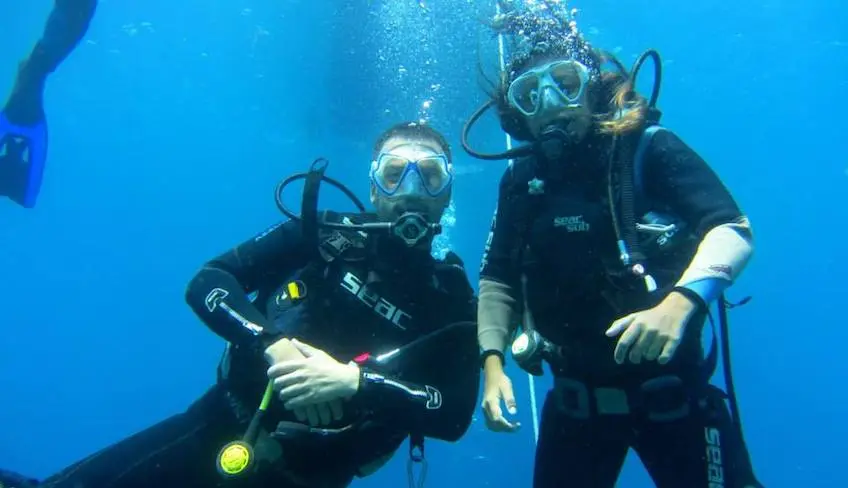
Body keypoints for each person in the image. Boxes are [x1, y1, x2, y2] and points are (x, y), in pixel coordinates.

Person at [0, 122, 479, 488]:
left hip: (314, 476)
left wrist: (355, 383)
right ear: (374, 187)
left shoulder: (451, 298)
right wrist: (274, 344)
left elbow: (454, 415)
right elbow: (208, 281)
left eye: (430, 176)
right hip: (218, 425)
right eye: (395, 175)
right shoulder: (321, 232)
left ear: (447, 193)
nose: (412, 190)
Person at [460, 3, 763, 488]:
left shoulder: (650, 148)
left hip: (675, 402)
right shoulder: (521, 180)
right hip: (575, 405)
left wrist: (678, 305)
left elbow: (731, 228)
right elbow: (497, 277)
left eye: (565, 82)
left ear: (594, 88)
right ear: (517, 112)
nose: (551, 101)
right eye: (530, 94)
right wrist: (492, 364)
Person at [0, 0, 96, 208]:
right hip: (60, 37)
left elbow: (29, 196)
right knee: (37, 62)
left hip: (58, 37)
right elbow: (29, 197)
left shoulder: (22, 126)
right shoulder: (23, 126)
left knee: (37, 61)